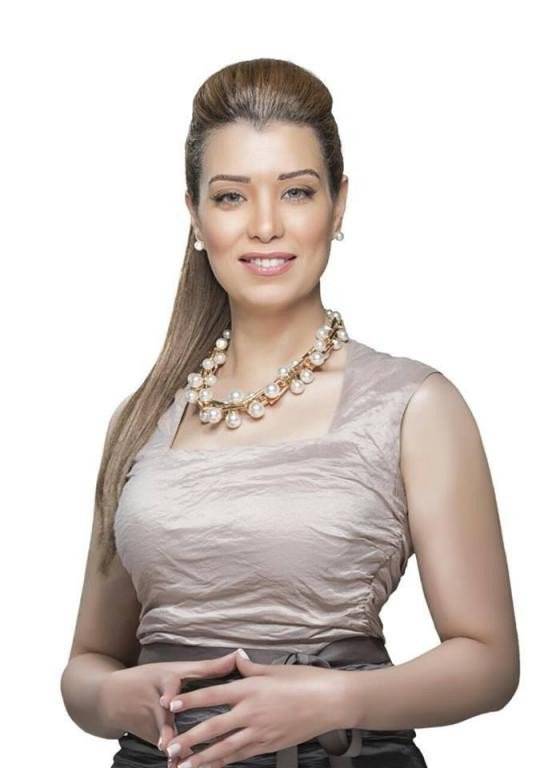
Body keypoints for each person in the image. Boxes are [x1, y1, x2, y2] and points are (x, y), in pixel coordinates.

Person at [60, 58, 520, 768]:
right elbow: (86, 666)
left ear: (339, 206)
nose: (266, 225)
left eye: (297, 191)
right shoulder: (143, 418)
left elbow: (490, 662)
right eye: (231, 196)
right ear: (195, 215)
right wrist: (118, 697)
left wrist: (335, 699)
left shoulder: (413, 406)